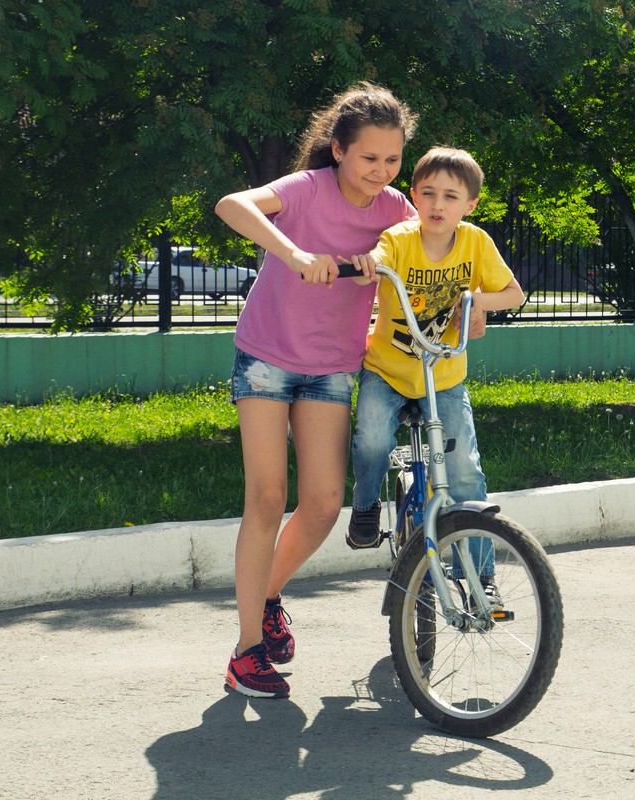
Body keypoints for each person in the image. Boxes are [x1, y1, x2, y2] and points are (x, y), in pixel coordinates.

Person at [213, 83, 418, 699]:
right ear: (338, 150)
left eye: (392, 159)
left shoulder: (397, 210)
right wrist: (295, 251)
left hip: (332, 367)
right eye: (368, 158)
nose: (381, 171)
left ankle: (268, 595)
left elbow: (435, 247)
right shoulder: (306, 190)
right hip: (268, 356)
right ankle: (247, 651)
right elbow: (232, 204)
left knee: (325, 503)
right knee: (267, 497)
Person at [345, 147, 525, 604]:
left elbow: (513, 294)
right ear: (414, 196)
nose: (438, 204)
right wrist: (367, 266)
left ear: (470, 204)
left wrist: (474, 302)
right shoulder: (399, 239)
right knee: (370, 441)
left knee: (464, 471)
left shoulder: (475, 243)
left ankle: (482, 575)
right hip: (387, 370)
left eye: (451, 196)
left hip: (442, 376)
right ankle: (365, 506)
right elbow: (375, 259)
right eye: (428, 194)